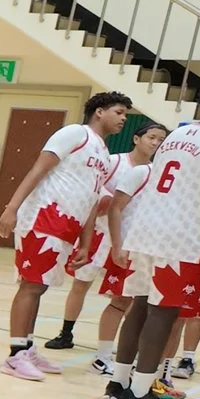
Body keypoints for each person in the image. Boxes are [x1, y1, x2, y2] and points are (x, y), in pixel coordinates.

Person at [104, 74, 200, 399]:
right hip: (183, 237)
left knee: (140, 306)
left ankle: (118, 383)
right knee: (163, 314)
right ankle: (138, 393)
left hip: (147, 230)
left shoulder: (177, 133)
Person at [0, 91, 131, 378]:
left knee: (40, 287)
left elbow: (93, 199)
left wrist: (86, 241)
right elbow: (38, 170)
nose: (123, 119)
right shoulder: (74, 133)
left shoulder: (104, 153)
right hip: (43, 218)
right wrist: (12, 208)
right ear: (99, 112)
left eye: (125, 114)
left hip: (67, 227)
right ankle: (15, 355)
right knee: (31, 286)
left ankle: (27, 347)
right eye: (119, 112)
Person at [58, 120, 166, 359]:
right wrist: (104, 200)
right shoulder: (114, 161)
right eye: (152, 137)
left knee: (124, 297)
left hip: (127, 240)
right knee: (81, 284)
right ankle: (66, 332)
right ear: (137, 139)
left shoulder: (156, 173)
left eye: (161, 140)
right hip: (99, 232)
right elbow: (95, 188)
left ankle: (122, 347)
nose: (156, 143)